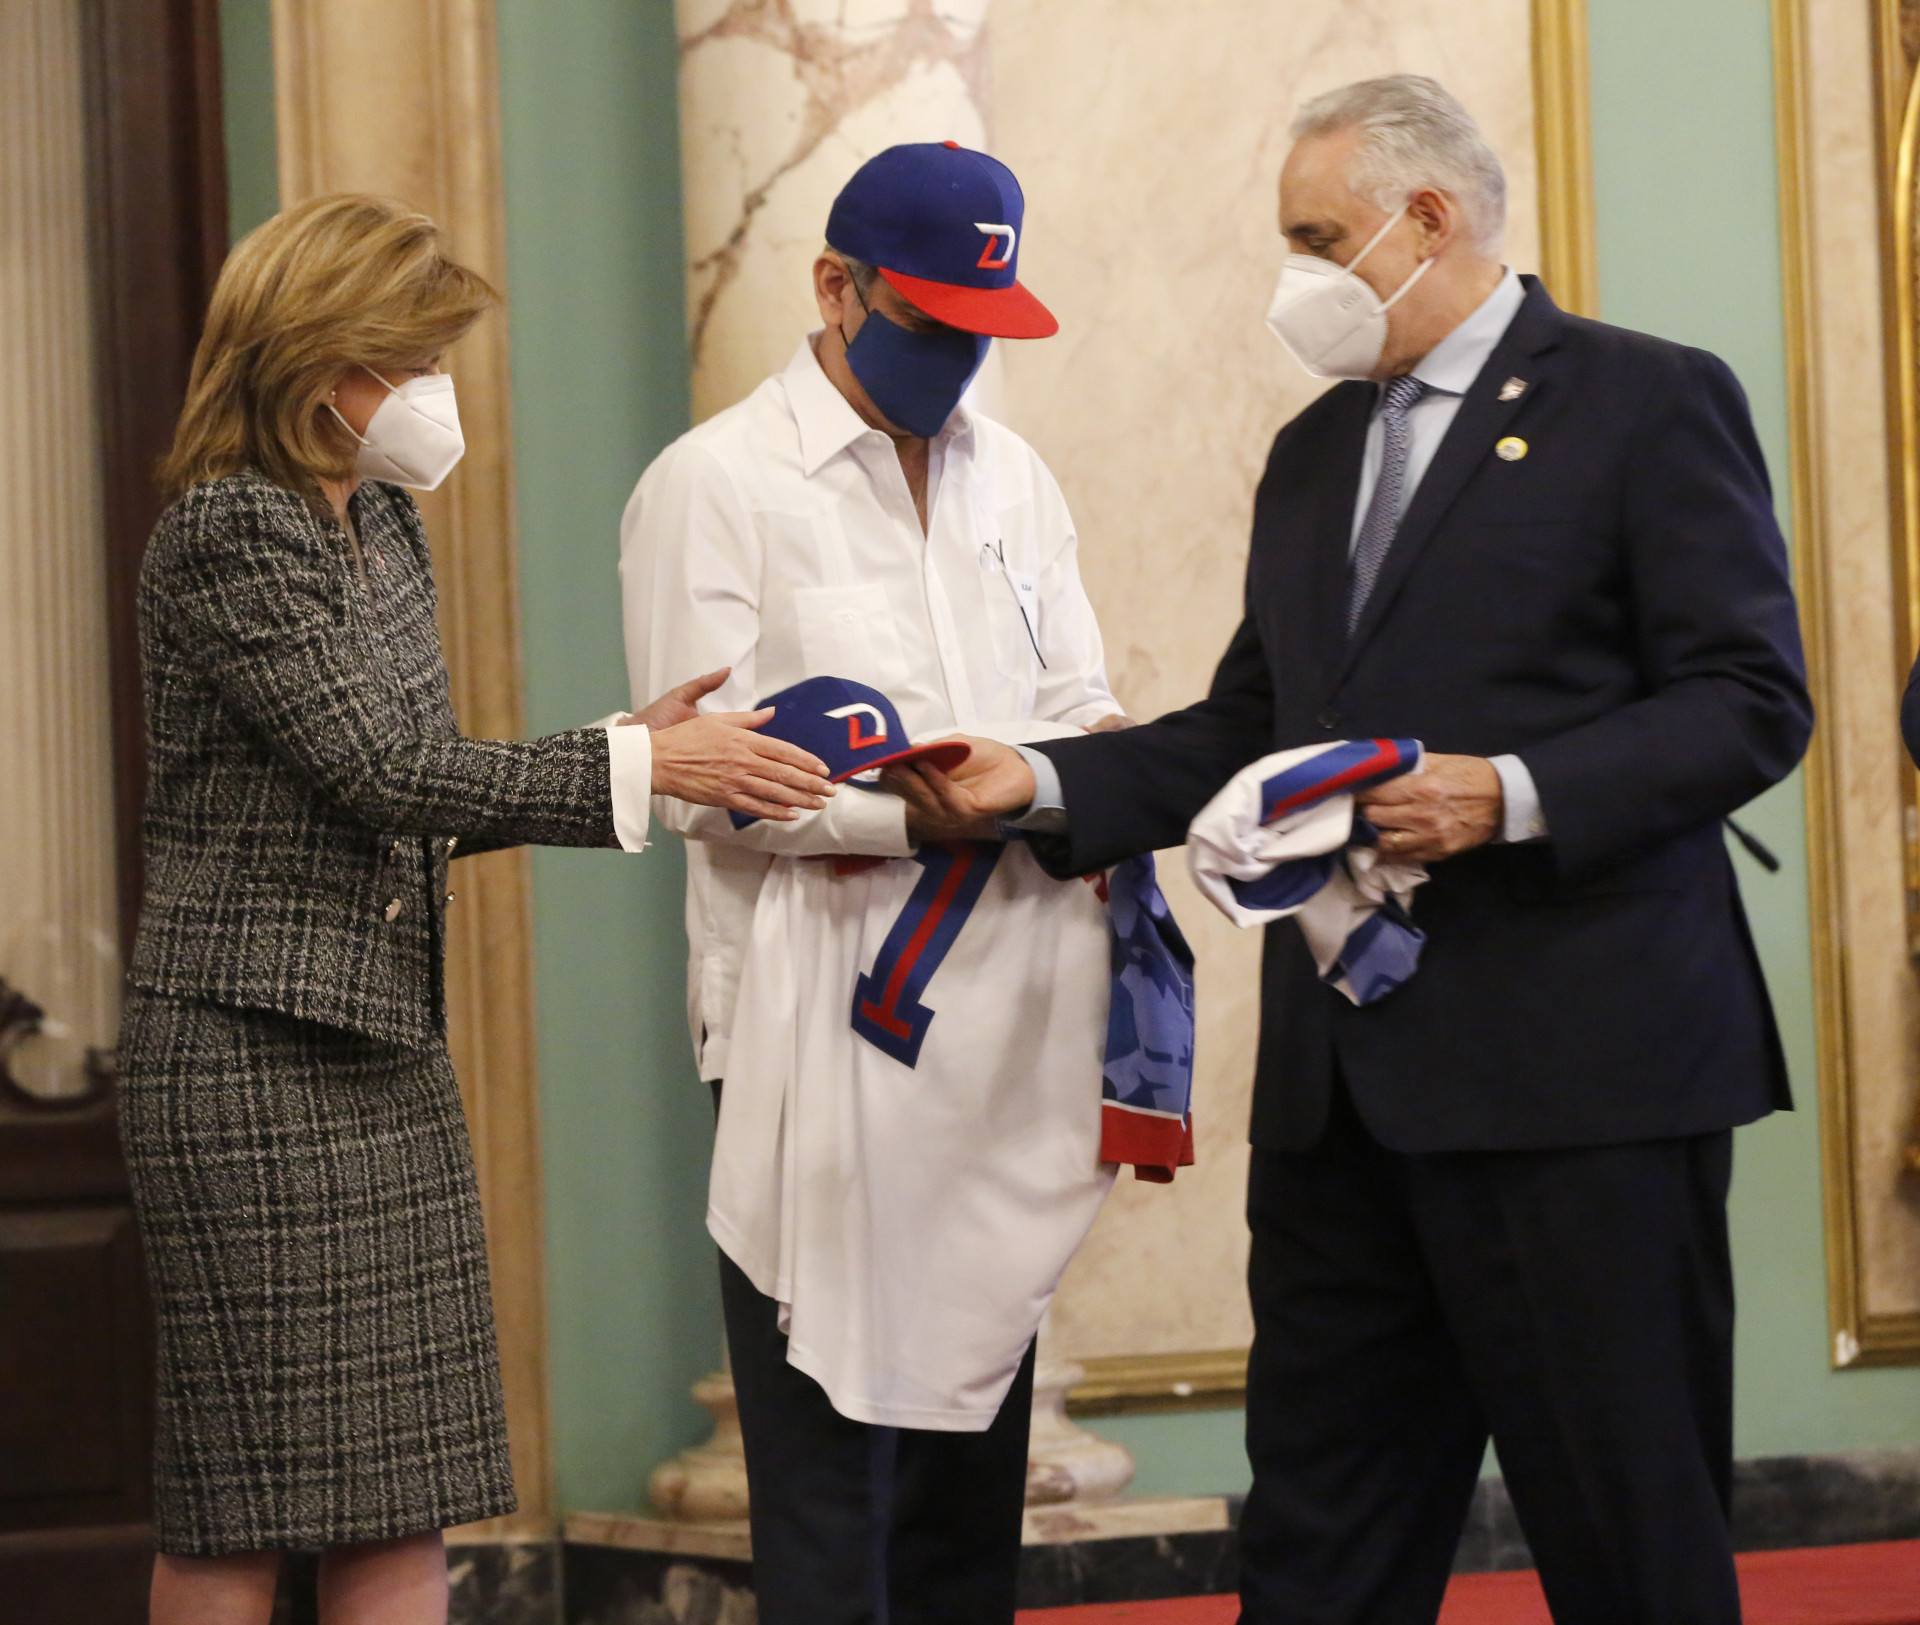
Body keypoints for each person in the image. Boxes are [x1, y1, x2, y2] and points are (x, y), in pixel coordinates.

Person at [906, 77, 1813, 1624]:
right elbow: (1255, 723)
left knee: (1629, 1543)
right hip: (1344, 1103)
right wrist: (1037, 780)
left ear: (1428, 218)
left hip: (1583, 1088)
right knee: (1318, 1552)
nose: (1298, 277)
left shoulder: (1645, 400)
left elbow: (1748, 699)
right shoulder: (1317, 449)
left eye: (1319, 239)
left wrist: (1507, 790)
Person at [120, 193, 833, 1625]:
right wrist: (644, 767)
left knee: (404, 1487)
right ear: (320, 361)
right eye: (415, 358)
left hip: (381, 1051)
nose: (438, 389)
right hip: (249, 1060)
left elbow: (418, 781)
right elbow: (380, 770)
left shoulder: (379, 519)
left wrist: (622, 741)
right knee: (246, 1504)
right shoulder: (230, 531)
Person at [620, 143, 1149, 1624]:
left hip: (1006, 1016)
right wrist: (926, 817)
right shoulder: (715, 484)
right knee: (829, 1471)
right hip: (811, 1029)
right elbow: (696, 774)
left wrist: (1076, 772)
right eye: (928, 321)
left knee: (971, 1452)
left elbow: (1079, 698)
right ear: (835, 289)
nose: (957, 355)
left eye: (984, 326)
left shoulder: (1014, 476)